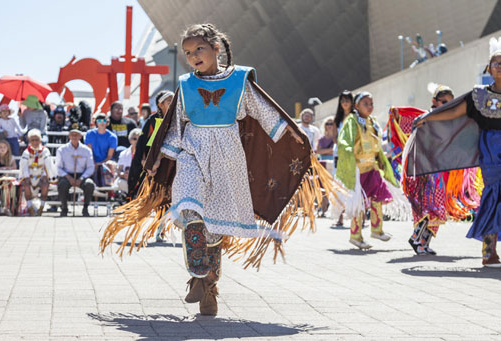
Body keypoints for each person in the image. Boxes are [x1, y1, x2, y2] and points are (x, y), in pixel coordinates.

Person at [100, 23, 334, 317]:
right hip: (192, 151)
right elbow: (175, 126)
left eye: (199, 49)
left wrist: (295, 141)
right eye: (188, 52)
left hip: (228, 157)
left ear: (216, 48)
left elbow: (265, 114)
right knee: (188, 208)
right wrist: (160, 157)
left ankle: (207, 287)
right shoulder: (185, 84)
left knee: (215, 227)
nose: (194, 55)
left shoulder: (239, 80)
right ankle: (198, 270)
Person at [410, 36, 501, 268]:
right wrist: (428, 117)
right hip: (491, 152)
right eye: (496, 62)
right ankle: (489, 253)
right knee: (492, 198)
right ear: (488, 69)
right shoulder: (478, 96)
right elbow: (454, 112)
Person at [388, 84, 465, 255]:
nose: (446, 105)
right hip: (426, 169)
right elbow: (414, 134)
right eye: (443, 101)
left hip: (439, 168)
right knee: (432, 206)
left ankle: (423, 242)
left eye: (450, 103)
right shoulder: (425, 117)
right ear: (434, 101)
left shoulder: (447, 120)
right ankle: (417, 237)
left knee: (436, 206)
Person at [336, 92, 397, 250]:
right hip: (358, 168)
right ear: (356, 106)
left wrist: (380, 159)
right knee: (359, 203)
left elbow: (376, 143)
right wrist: (347, 149)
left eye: (371, 104)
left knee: (378, 196)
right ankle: (355, 236)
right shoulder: (352, 121)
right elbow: (344, 139)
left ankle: (376, 229)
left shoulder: (373, 122)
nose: (369, 107)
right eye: (365, 104)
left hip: (372, 166)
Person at [127, 91, 173, 200]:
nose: (173, 104)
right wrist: (145, 162)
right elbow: (144, 143)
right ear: (160, 105)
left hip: (170, 160)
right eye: (169, 102)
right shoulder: (153, 120)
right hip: (152, 163)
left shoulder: (177, 120)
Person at [55, 129, 95, 217]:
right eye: (72, 134)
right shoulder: (62, 150)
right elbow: (58, 167)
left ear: (80, 136)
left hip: (82, 174)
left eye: (76, 135)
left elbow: (90, 167)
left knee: (89, 184)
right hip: (67, 174)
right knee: (62, 184)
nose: (74, 137)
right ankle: (64, 208)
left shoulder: (86, 150)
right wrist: (68, 177)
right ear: (69, 136)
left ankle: (85, 208)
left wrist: (81, 178)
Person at [19, 129, 57, 216]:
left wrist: (46, 176)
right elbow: (24, 167)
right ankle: (30, 207)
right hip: (30, 176)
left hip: (41, 175)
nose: (35, 142)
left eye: (37, 140)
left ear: (40, 140)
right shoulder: (26, 152)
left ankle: (41, 207)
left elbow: (48, 165)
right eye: (33, 140)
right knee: (27, 185)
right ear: (29, 141)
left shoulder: (45, 151)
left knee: (45, 185)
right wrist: (26, 177)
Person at [331, 90, 353, 227]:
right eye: (343, 101)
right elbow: (334, 137)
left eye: (347, 100)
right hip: (339, 154)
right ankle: (339, 216)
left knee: (354, 184)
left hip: (354, 154)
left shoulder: (357, 117)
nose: (345, 103)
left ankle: (358, 216)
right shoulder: (337, 119)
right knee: (339, 185)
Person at [85, 113, 118, 187]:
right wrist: (94, 163)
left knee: (108, 165)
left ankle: (108, 192)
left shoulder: (112, 137)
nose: (102, 122)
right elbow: (89, 152)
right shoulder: (89, 134)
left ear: (107, 122)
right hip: (91, 161)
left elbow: (109, 156)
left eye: (104, 120)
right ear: (96, 122)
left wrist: (100, 164)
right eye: (99, 120)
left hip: (106, 163)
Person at [0, 140, 18, 216]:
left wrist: (6, 168)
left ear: (8, 148)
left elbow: (14, 168)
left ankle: (4, 206)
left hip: (6, 178)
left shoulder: (11, 158)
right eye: (0, 147)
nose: (2, 149)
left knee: (6, 183)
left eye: (4, 147)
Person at [315, 118, 336, 216]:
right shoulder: (321, 139)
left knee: (335, 185)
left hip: (335, 163)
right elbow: (318, 151)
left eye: (331, 123)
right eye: (327, 123)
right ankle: (323, 208)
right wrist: (331, 150)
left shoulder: (338, 137)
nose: (329, 125)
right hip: (323, 164)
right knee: (323, 185)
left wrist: (325, 150)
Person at [116, 128, 141, 194]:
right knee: (120, 182)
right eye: (135, 139)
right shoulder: (123, 153)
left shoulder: (145, 154)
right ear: (130, 140)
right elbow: (119, 171)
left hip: (140, 181)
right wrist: (123, 174)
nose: (137, 141)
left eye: (140, 139)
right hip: (126, 181)